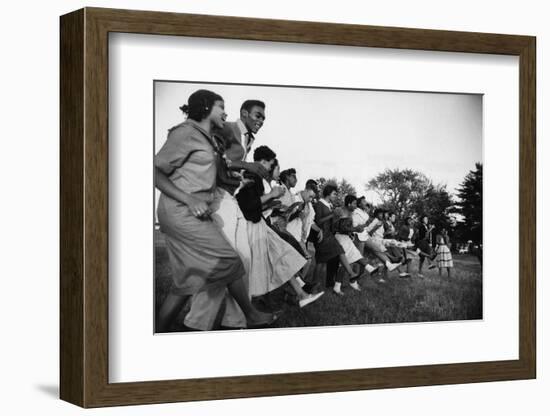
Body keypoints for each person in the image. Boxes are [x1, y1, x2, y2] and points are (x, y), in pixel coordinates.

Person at [154, 89, 274, 331]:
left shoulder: (207, 138)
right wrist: (188, 199)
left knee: (185, 283)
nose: (225, 112)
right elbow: (154, 170)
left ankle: (157, 335)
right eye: (221, 107)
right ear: (206, 107)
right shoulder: (187, 132)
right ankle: (248, 314)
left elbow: (216, 168)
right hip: (183, 211)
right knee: (231, 261)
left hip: (197, 210)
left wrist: (235, 177)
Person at [236, 146, 324, 308]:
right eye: (271, 165)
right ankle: (249, 308)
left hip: (260, 226)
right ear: (263, 162)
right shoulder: (252, 178)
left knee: (281, 258)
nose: (270, 170)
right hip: (253, 228)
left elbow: (253, 206)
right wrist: (271, 197)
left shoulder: (256, 179)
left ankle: (300, 294)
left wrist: (271, 202)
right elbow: (247, 205)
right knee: (260, 267)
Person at [313, 184, 360, 296]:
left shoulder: (329, 205)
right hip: (322, 236)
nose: (335, 196)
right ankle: (351, 273)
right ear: (328, 194)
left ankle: (314, 287)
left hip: (329, 235)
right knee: (328, 257)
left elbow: (331, 223)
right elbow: (318, 221)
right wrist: (332, 215)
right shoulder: (319, 204)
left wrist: (336, 217)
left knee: (323, 261)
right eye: (334, 194)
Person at [333, 195, 380, 291]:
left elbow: (346, 228)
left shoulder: (349, 212)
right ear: (349, 203)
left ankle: (338, 286)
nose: (355, 205)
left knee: (353, 256)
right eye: (354, 203)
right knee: (352, 257)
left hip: (346, 237)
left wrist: (352, 232)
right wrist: (355, 229)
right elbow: (342, 228)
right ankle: (368, 269)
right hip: (340, 237)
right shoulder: (341, 211)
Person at [361, 208, 402, 282]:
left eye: (382, 214)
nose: (382, 215)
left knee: (382, 260)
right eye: (380, 214)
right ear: (376, 214)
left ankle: (382, 275)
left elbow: (381, 234)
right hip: (373, 241)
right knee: (378, 261)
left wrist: (388, 233)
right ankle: (392, 260)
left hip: (379, 240)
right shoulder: (373, 221)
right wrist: (376, 227)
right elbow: (369, 232)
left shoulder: (381, 222)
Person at [384, 211, 412, 278]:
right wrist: (390, 233)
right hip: (387, 243)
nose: (394, 218)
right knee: (393, 258)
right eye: (393, 216)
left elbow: (392, 234)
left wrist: (394, 234)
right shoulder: (385, 224)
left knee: (390, 259)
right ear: (389, 217)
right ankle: (401, 272)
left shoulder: (392, 225)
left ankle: (386, 276)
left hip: (392, 243)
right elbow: (383, 234)